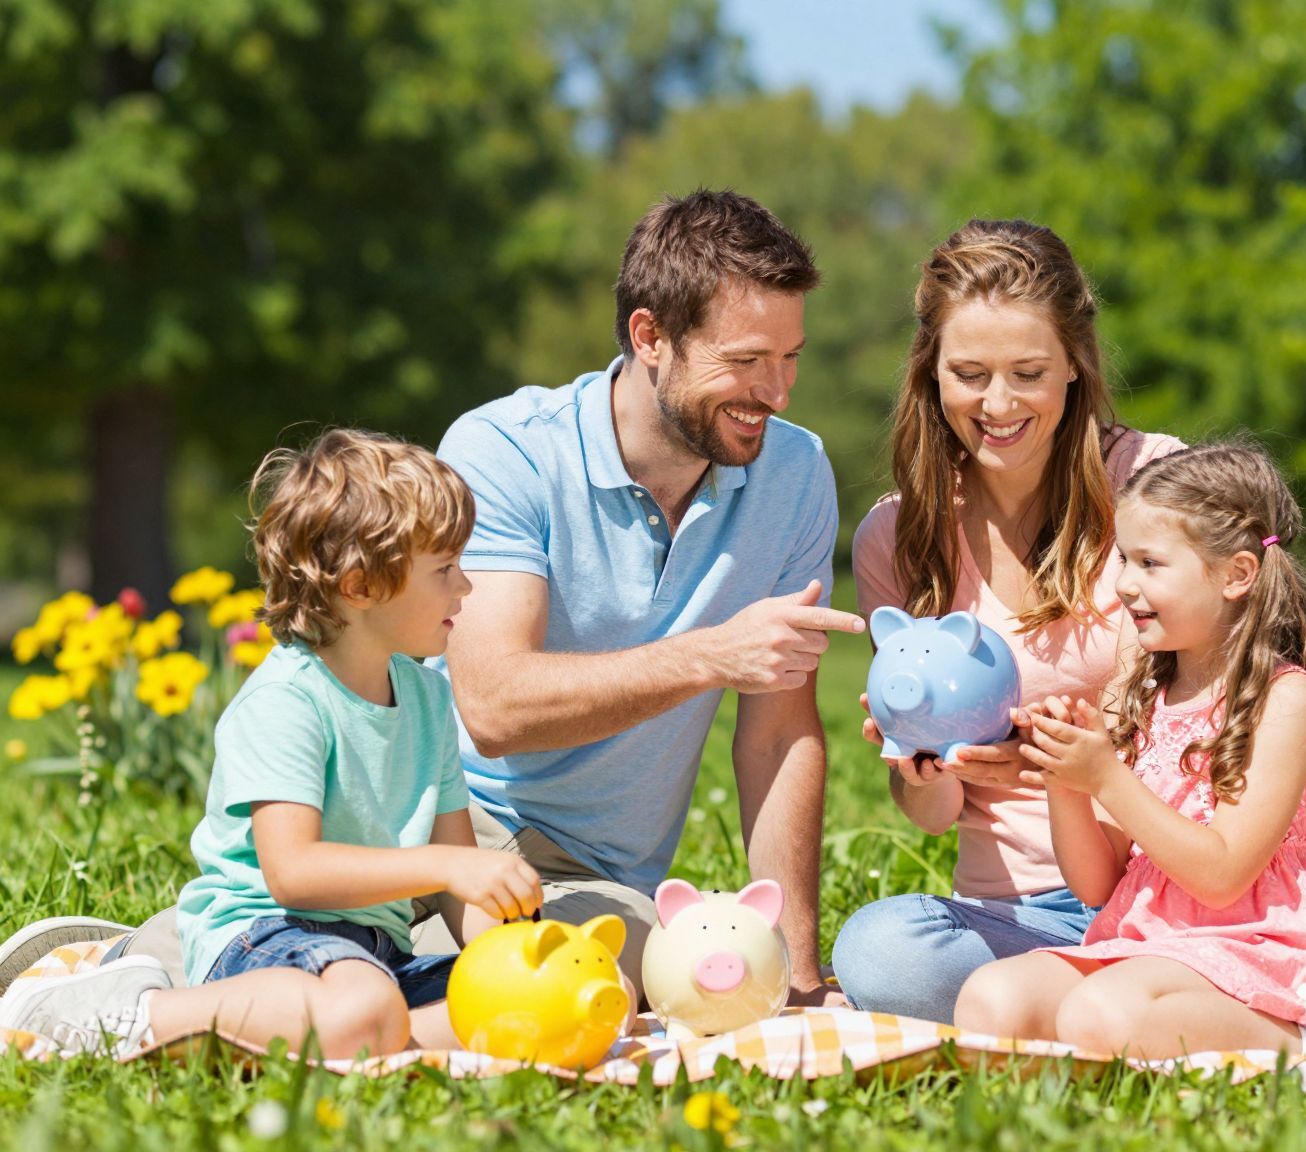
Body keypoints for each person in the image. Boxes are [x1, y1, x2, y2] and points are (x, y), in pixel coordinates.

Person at [72, 191, 862, 1007]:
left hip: (575, 868)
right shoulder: (509, 450)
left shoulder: (794, 475)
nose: (778, 391)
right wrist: (710, 655)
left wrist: (797, 976)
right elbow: (491, 705)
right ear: (650, 336)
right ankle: (162, 971)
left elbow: (778, 739)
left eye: (791, 357)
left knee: (596, 986)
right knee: (463, 977)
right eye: (746, 361)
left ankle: (245, 972)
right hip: (418, 817)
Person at [831, 221, 1306, 1025]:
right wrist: (923, 768)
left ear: (1075, 363)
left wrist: (1074, 767)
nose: (997, 404)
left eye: (1028, 373)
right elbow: (933, 817)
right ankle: (1155, 1002)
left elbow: (1243, 705)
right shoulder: (895, 538)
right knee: (878, 949)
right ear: (930, 374)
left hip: (1197, 890)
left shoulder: (1151, 486)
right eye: (969, 374)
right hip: (1029, 911)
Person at [0, 431, 541, 1057]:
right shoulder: (288, 699)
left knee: (526, 1002)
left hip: (373, 957)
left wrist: (510, 953)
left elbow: (456, 885)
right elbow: (294, 873)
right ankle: (122, 1013)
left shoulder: (425, 700)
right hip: (264, 936)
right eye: (445, 569)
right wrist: (450, 867)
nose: (465, 588)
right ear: (361, 585)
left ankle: (369, 1037)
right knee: (366, 1005)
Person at [952, 442, 1306, 1058]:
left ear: (1237, 574)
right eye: (1123, 560)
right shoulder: (1147, 691)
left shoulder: (1287, 700)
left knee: (1100, 1016)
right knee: (992, 1000)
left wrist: (1107, 778)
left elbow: (1221, 875)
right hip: (1145, 937)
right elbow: (1096, 884)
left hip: (1252, 944)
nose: (1124, 585)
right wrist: (1065, 779)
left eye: (1151, 563)